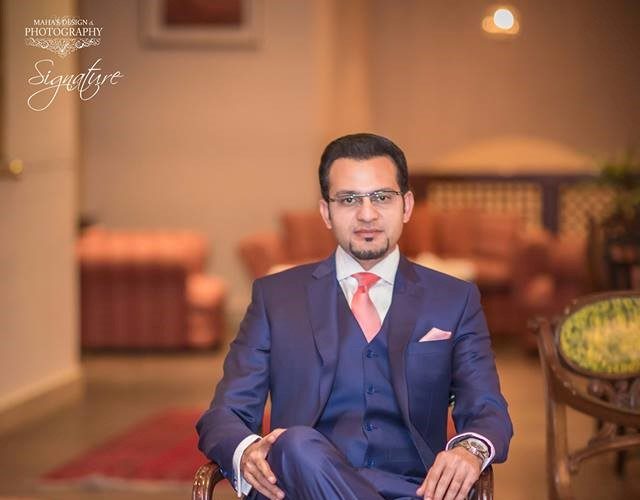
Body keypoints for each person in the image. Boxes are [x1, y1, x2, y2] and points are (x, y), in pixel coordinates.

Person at [197, 133, 513, 500]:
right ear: (325, 212)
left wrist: (469, 450)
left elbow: (487, 407)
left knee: (294, 444)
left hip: (415, 490)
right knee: (295, 445)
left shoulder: (454, 299)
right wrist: (247, 450)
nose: (367, 214)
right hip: (300, 487)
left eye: (382, 197)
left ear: (407, 205)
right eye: (349, 199)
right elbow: (224, 415)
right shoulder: (276, 297)